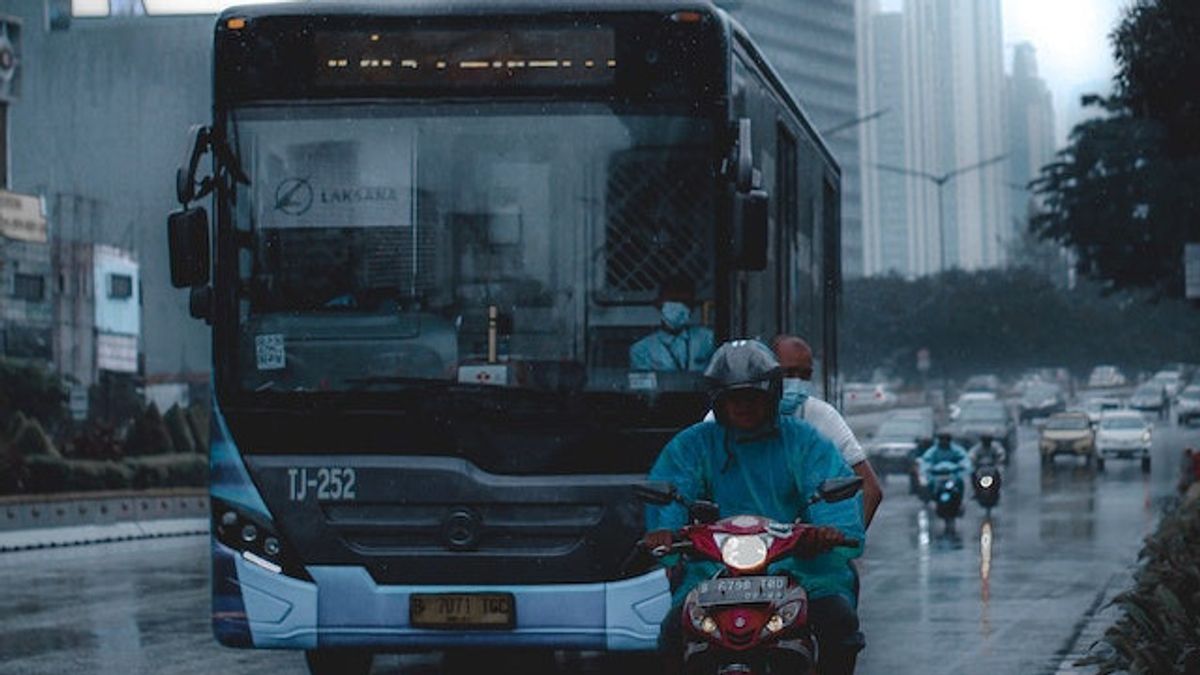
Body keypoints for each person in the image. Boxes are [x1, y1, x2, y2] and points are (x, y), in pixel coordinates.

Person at [645, 340, 865, 675]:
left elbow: (831, 488)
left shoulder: (804, 440)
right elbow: (672, 490)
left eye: (752, 396)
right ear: (719, 401)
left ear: (771, 395)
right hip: (714, 566)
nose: (743, 405)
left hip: (797, 564)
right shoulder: (694, 444)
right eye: (734, 397)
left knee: (838, 623)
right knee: (673, 633)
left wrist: (827, 532)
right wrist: (665, 532)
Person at [773, 335, 884, 528]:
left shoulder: (822, 416)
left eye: (804, 375)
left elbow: (870, 489)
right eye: (788, 373)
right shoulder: (721, 417)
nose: (796, 382)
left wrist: (843, 544)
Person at [629, 274, 715, 372]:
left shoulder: (708, 340)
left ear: (692, 307)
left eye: (684, 302)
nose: (679, 308)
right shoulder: (642, 350)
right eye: (673, 301)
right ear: (659, 304)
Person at [918, 430, 972, 494]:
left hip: (952, 474)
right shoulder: (932, 451)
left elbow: (964, 459)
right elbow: (926, 460)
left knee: (962, 482)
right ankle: (930, 499)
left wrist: (963, 465)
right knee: (926, 483)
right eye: (942, 439)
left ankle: (961, 499)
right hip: (936, 474)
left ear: (950, 440)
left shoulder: (957, 450)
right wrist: (928, 467)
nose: (944, 441)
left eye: (947, 439)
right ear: (938, 440)